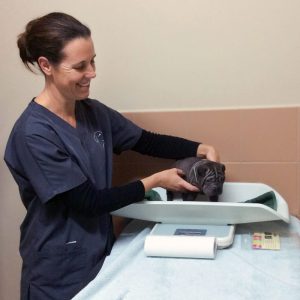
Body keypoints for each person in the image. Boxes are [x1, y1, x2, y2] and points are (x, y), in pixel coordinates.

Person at [4, 12, 220, 300]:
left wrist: (200, 148)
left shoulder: (93, 112)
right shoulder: (34, 134)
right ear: (46, 65)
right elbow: (88, 202)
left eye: (93, 61)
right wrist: (155, 180)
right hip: (56, 272)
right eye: (80, 66)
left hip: (99, 255)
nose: (92, 72)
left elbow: (147, 141)